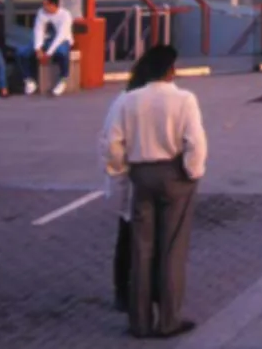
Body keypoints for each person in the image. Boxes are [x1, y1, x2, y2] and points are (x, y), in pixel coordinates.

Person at [101, 45, 208, 339]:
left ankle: (139, 321)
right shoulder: (184, 99)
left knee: (141, 248)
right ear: (170, 69)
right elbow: (195, 142)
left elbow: (112, 142)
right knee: (172, 248)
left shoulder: (128, 100)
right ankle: (168, 320)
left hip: (141, 174)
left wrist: (120, 172)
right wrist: (192, 171)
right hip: (173, 173)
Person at [101, 56, 155, 313]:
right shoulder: (131, 102)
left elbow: (110, 144)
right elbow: (112, 146)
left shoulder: (123, 101)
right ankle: (134, 289)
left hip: (130, 177)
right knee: (138, 237)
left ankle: (124, 290)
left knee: (127, 235)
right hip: (139, 177)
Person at [19, 0, 73, 96]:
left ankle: (63, 79)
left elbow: (61, 36)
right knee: (22, 53)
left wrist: (48, 53)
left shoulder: (65, 15)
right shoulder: (41, 13)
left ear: (54, 5)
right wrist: (38, 48)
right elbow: (38, 30)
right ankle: (29, 79)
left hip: (61, 41)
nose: (44, 7)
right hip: (45, 40)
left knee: (62, 53)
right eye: (43, 4)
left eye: (46, 4)